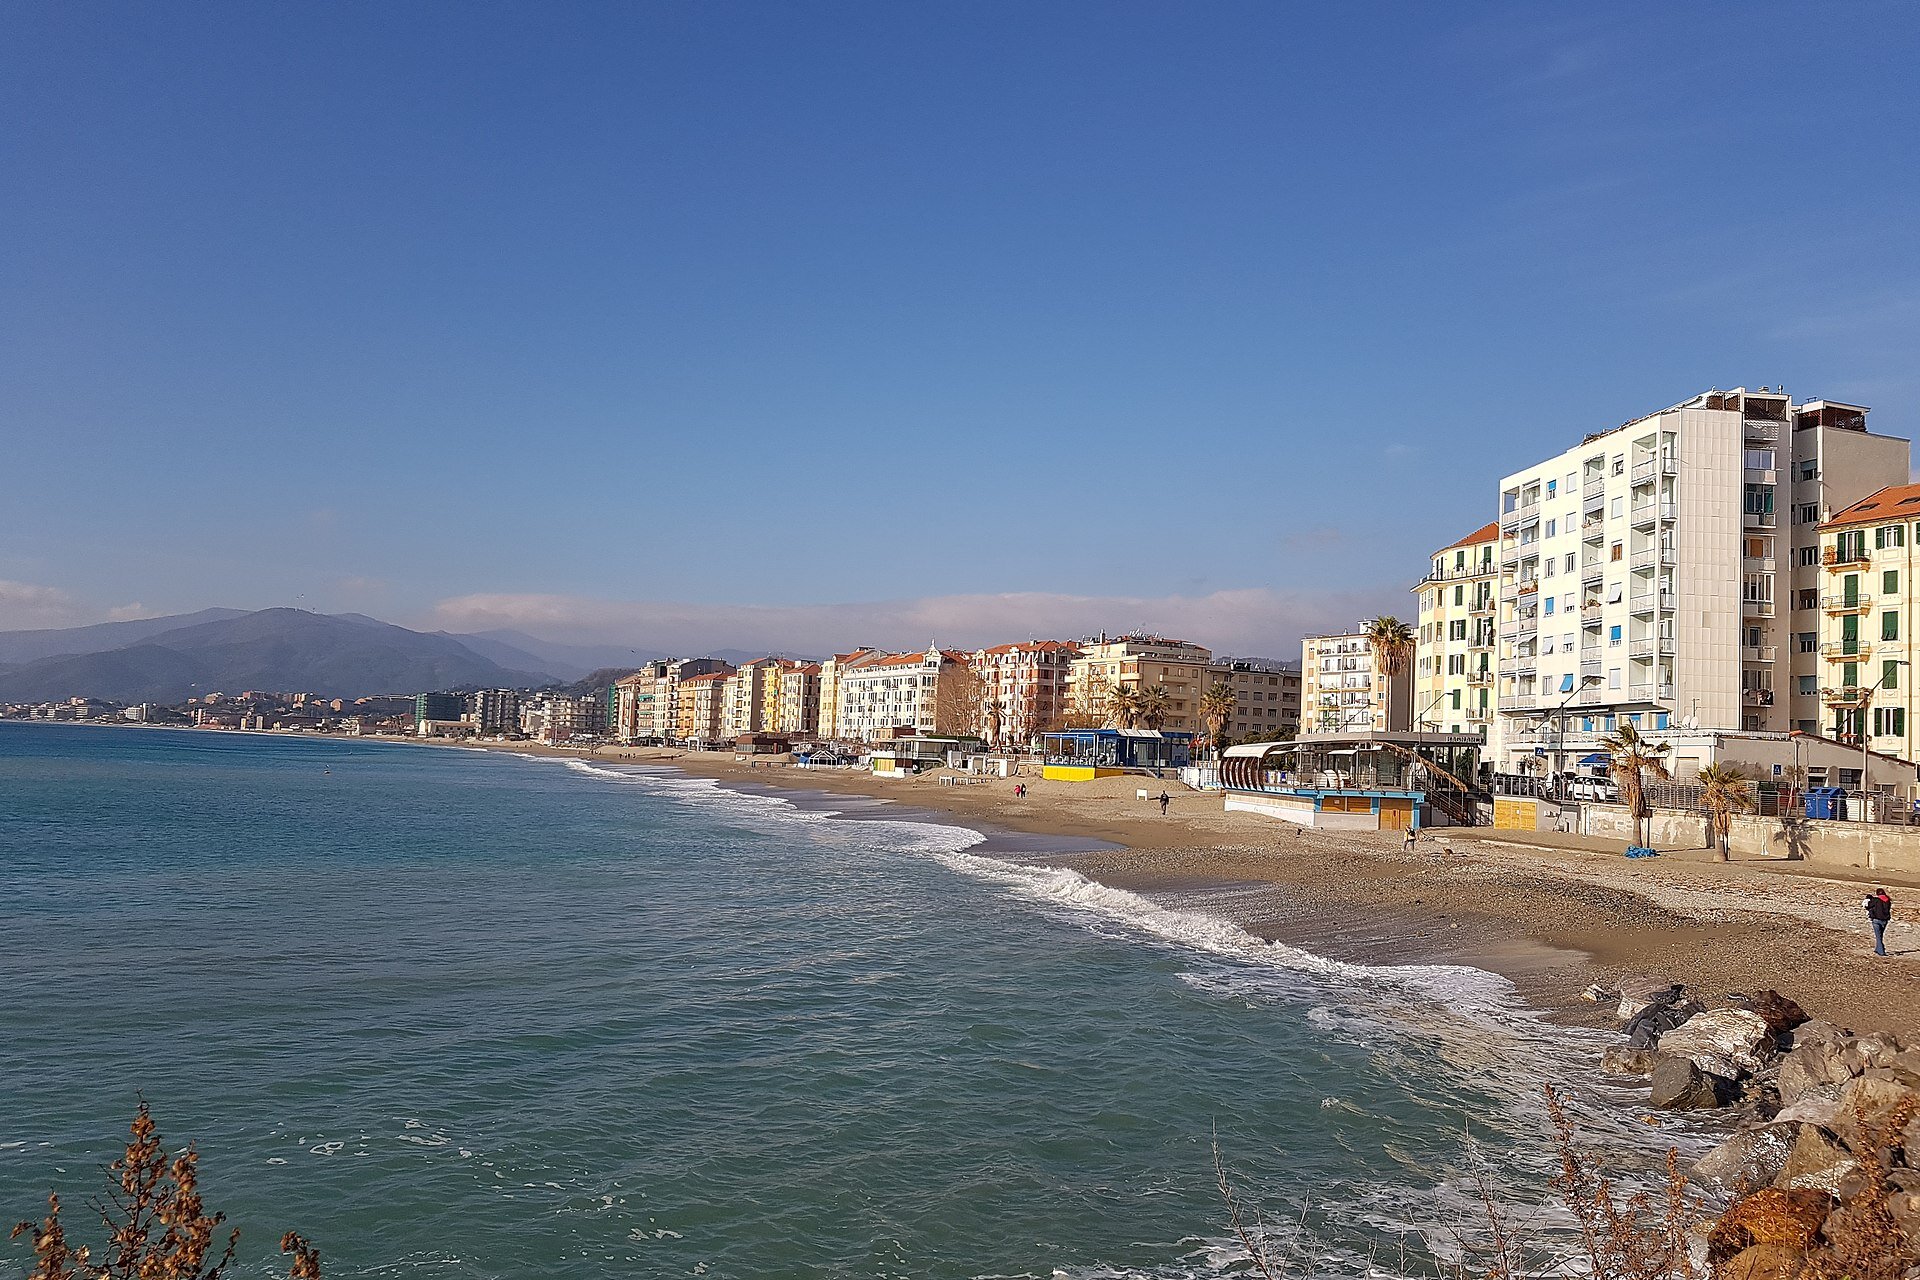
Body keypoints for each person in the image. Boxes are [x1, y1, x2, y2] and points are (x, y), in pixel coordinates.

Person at [1866, 888, 1894, 957]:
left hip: (1876, 920)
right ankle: (1877, 949)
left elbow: (1868, 906)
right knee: (1880, 935)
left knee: (1878, 936)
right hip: (1885, 920)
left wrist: (1869, 899)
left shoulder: (1876, 900)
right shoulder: (1888, 900)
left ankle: (1881, 952)